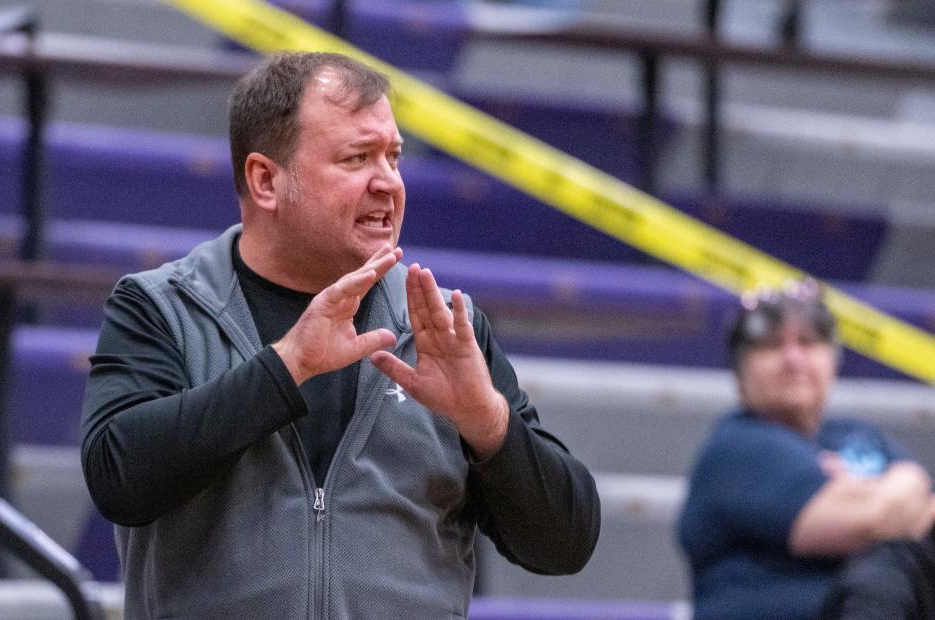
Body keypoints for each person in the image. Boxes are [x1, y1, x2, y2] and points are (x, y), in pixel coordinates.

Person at [80, 51, 600, 618]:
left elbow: (565, 545)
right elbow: (118, 477)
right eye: (357, 158)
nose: (389, 183)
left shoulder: (446, 323)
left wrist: (486, 422)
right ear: (265, 180)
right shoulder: (162, 306)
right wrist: (285, 368)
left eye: (394, 157)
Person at [676, 280, 935, 620]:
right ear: (740, 372)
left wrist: (873, 493)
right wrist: (898, 489)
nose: (793, 359)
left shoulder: (857, 434)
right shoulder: (736, 447)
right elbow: (866, 523)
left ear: (833, 361)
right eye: (771, 345)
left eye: (809, 342)